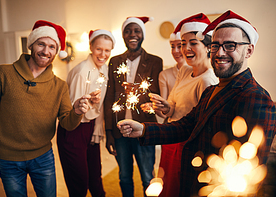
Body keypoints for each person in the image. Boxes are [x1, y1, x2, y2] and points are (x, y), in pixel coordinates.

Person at [117, 10, 276, 197]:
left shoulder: (256, 98)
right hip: (191, 182)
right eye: (215, 45)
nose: (220, 52)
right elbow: (186, 126)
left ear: (249, 50)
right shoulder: (212, 91)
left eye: (230, 45)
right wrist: (144, 129)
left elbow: (249, 174)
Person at [0, 20, 92, 197]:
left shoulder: (59, 86)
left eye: (52, 47)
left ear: (56, 51)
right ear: (31, 45)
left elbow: (67, 124)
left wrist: (76, 112)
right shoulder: (4, 73)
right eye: (41, 44)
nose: (46, 51)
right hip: (8, 158)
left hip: (43, 157)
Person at [143, 13, 218, 197]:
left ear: (208, 46)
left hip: (186, 144)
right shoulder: (184, 71)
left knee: (179, 188)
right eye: (184, 43)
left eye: (193, 43)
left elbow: (200, 124)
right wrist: (164, 106)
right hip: (171, 139)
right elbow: (174, 106)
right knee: (165, 184)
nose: (186, 48)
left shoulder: (208, 81)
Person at [104, 16, 163, 197]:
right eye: (128, 31)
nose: (132, 35)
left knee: (147, 176)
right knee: (124, 176)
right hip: (120, 130)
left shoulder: (155, 61)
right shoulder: (114, 61)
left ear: (142, 35)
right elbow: (109, 98)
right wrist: (109, 132)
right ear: (123, 35)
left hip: (145, 128)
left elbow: (156, 94)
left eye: (136, 31)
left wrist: (137, 91)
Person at [57, 29, 115, 197]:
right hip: (73, 130)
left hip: (90, 126)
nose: (103, 54)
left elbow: (101, 102)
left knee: (95, 175)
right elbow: (72, 113)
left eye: (107, 50)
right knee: (79, 183)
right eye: (99, 49)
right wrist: (88, 105)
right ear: (91, 47)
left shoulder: (104, 69)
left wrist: (98, 127)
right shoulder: (82, 72)